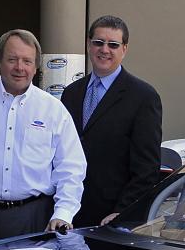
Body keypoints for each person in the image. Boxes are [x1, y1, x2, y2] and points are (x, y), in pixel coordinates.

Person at [0, 29, 85, 244]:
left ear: (36, 67)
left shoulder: (53, 109)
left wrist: (63, 214)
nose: (20, 67)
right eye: (12, 59)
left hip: (33, 219)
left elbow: (71, 168)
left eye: (27, 61)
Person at [59, 15, 163, 226]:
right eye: (98, 42)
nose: (104, 50)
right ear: (89, 45)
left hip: (111, 219)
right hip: (69, 213)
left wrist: (122, 211)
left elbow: (147, 169)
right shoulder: (71, 93)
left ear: (124, 49)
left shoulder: (143, 97)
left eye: (113, 45)